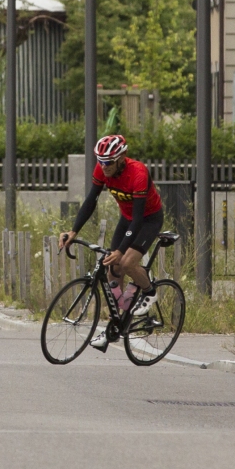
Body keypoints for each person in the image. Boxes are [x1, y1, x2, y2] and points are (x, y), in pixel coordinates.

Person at [58, 134, 163, 351]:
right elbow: (91, 201)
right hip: (127, 219)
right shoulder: (102, 169)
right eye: (100, 161)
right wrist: (73, 231)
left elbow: (138, 219)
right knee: (112, 270)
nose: (103, 166)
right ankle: (115, 325)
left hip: (148, 219)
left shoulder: (138, 173)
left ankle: (149, 291)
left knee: (126, 263)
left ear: (122, 157)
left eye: (108, 162)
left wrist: (121, 250)